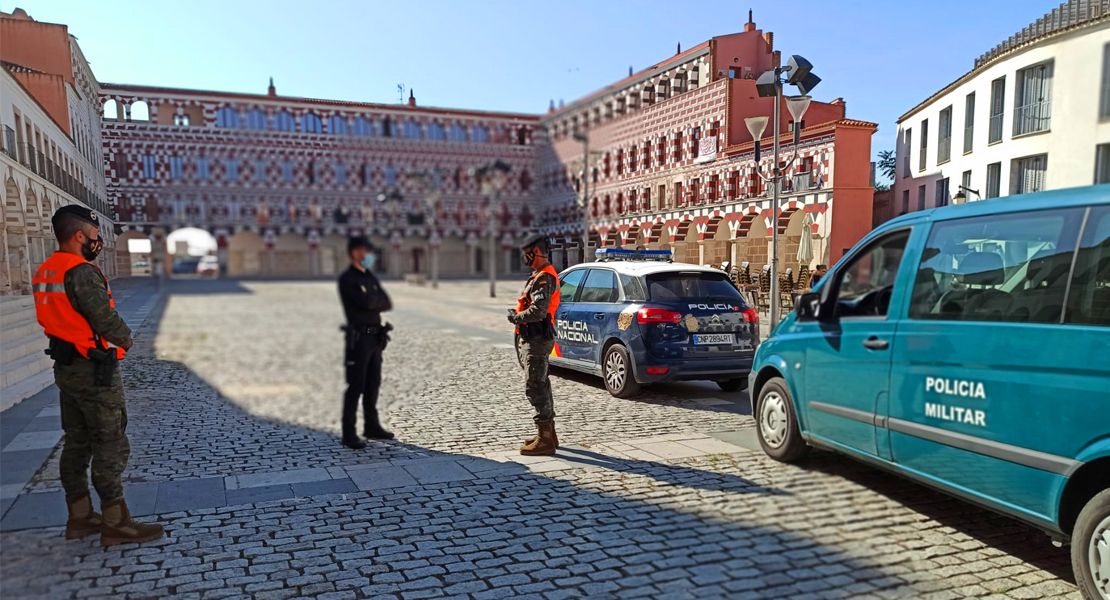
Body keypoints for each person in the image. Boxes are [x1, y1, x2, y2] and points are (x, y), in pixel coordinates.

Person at [32, 205, 164, 547]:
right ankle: (116, 521)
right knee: (110, 441)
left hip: (66, 367)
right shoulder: (80, 270)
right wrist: (126, 338)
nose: (97, 241)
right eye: (94, 236)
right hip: (94, 368)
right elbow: (102, 315)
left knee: (76, 442)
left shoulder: (46, 270)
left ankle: (79, 516)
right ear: (79, 236)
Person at [337, 236, 394, 449]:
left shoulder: (369, 277)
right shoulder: (348, 279)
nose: (370, 256)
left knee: (373, 383)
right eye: (366, 252)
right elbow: (365, 302)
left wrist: (375, 302)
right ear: (355, 252)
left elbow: (387, 302)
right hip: (359, 339)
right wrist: (374, 302)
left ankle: (371, 425)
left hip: (375, 337)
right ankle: (348, 433)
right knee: (356, 385)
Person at [507, 233, 561, 456]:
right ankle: (549, 434)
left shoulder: (544, 277)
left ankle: (545, 439)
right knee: (541, 382)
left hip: (537, 339)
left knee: (535, 386)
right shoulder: (538, 275)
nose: (524, 258)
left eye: (526, 254)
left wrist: (515, 318)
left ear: (535, 253)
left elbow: (538, 311)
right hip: (534, 337)